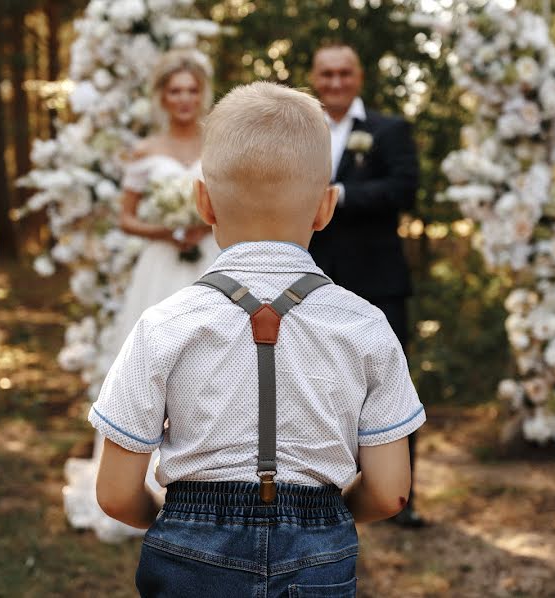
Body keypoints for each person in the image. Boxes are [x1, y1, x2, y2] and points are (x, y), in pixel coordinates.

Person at [89, 82, 426, 596]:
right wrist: (328, 519)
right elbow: (391, 492)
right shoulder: (366, 325)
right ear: (327, 207)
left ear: (203, 202)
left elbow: (115, 494)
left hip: (188, 545)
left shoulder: (164, 324)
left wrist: (180, 523)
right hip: (320, 546)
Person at [62, 49, 219, 543]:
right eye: (175, 91)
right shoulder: (143, 150)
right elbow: (125, 217)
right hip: (161, 265)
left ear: (202, 93)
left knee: (211, 363)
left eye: (192, 90)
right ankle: (136, 482)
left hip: (211, 256)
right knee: (151, 366)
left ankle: (207, 478)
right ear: (161, 97)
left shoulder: (217, 144)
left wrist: (203, 226)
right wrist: (166, 230)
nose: (184, 99)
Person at [307, 43, 424, 527]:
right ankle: (322, 491)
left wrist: (339, 195)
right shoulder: (302, 130)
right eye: (326, 74)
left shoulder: (388, 129)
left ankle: (400, 498)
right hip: (313, 283)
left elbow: (404, 188)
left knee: (391, 387)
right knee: (315, 386)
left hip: (378, 280)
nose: (335, 82)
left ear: (359, 76)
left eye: (344, 73)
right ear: (314, 78)